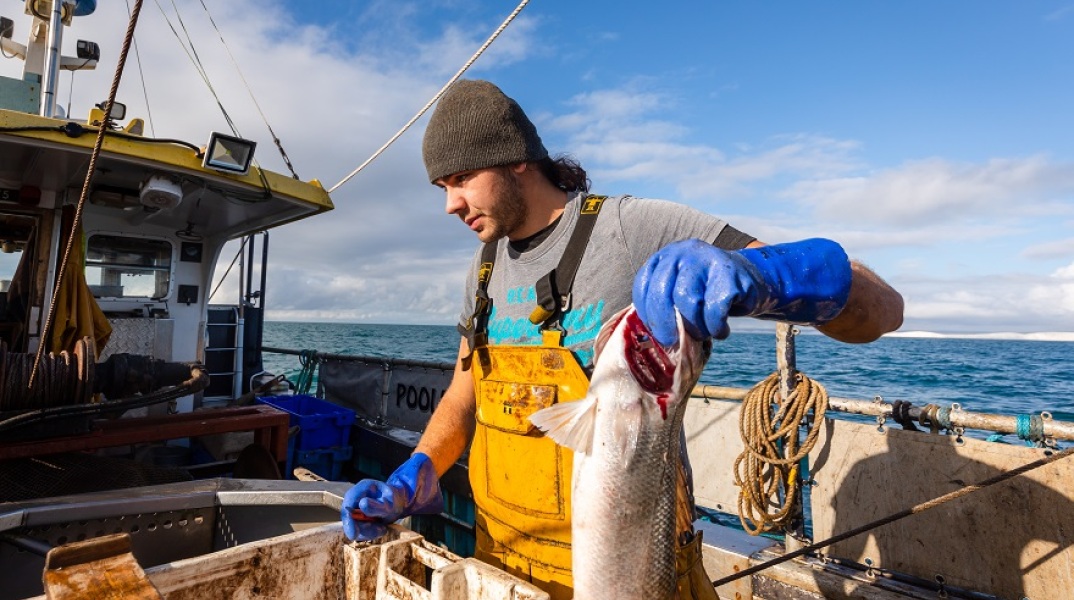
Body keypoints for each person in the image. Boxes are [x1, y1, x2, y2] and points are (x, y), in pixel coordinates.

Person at [340, 79, 904, 599]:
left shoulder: (630, 229)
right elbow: (464, 394)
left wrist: (768, 275)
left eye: (461, 178)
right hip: (501, 566)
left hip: (635, 568)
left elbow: (885, 311)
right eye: (442, 187)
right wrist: (419, 468)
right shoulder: (484, 268)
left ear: (516, 158)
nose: (450, 204)